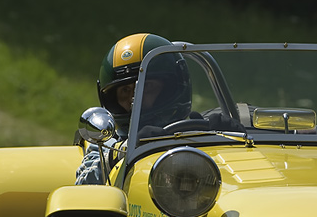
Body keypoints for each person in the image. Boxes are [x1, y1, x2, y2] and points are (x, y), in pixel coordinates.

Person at [75, 33, 243, 185]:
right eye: (125, 91)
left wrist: (229, 141)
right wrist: (123, 152)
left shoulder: (202, 131)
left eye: (146, 87)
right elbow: (83, 187)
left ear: (171, 88)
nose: (134, 98)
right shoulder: (107, 145)